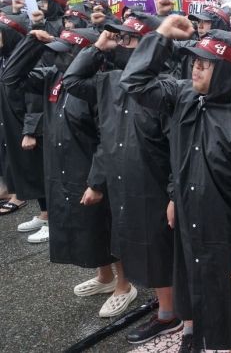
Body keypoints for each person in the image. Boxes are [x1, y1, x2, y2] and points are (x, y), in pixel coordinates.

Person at [120, 17, 231, 353]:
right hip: (194, 231)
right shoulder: (184, 96)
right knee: (220, 317)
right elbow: (134, 82)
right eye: (195, 61)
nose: (195, 69)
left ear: (227, 70)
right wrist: (160, 36)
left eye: (206, 64)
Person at [62, 12, 182, 343]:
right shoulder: (110, 81)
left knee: (159, 249)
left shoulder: (166, 86)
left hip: (154, 182)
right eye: (119, 38)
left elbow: (178, 147)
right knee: (135, 245)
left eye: (128, 39)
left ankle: (169, 314)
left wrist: (174, 193)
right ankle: (164, 303)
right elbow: (71, 82)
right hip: (121, 180)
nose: (120, 43)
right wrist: (96, 48)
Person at [0, 26, 135, 317]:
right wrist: (30, 42)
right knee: (85, 226)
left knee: (106, 225)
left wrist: (97, 182)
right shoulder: (53, 78)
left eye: (67, 53)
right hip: (63, 166)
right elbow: (10, 78)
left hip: (93, 169)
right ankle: (105, 277)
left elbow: (108, 137)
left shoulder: (99, 84)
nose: (60, 59)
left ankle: (125, 285)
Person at [0, 13, 46, 232]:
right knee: (27, 170)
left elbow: (35, 98)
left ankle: (49, 217)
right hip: (13, 122)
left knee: (39, 171)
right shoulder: (6, 58)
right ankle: (43, 213)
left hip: (30, 126)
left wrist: (30, 130)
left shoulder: (31, 58)